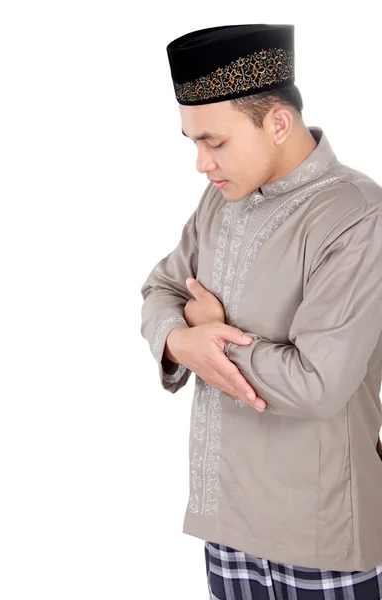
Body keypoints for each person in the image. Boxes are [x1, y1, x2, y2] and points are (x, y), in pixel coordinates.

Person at [140, 24, 382, 599]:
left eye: (215, 142)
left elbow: (318, 382)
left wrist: (206, 337)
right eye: (192, 142)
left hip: (319, 531)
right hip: (225, 521)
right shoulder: (221, 201)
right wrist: (180, 340)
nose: (201, 163)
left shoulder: (356, 216)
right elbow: (158, 291)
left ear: (277, 123)